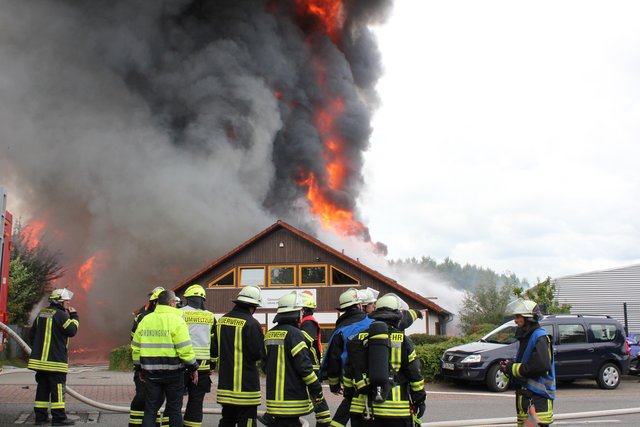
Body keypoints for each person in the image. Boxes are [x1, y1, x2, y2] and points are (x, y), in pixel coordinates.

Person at [343, 293, 426, 427]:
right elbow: (415, 374)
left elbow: (348, 373)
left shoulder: (358, 339)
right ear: (397, 315)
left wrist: (348, 395)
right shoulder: (403, 341)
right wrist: (419, 401)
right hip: (397, 412)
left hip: (363, 410)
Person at [259, 291, 330, 427]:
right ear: (296, 313)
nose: (302, 314)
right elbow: (304, 367)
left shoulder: (269, 334)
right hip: (292, 400)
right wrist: (316, 388)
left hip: (273, 400)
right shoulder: (295, 334)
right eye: (301, 311)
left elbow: (264, 366)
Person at [131, 290, 199, 427]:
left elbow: (136, 347)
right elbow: (184, 349)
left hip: (151, 373)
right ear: (171, 303)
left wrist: (139, 369)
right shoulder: (177, 320)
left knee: (150, 409)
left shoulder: (146, 320)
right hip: (174, 373)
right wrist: (193, 368)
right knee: (174, 410)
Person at [320, 288, 372, 427]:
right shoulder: (374, 323)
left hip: (351, 379)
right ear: (359, 305)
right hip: (374, 376)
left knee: (350, 401)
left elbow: (334, 359)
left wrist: (334, 385)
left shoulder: (340, 330)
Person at [28, 288, 80, 426]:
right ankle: (59, 418)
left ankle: (40, 417)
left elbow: (32, 336)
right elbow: (72, 331)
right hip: (55, 362)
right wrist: (74, 316)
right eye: (66, 300)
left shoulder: (42, 313)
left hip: (40, 363)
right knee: (58, 390)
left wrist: (39, 350)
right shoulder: (61, 315)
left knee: (42, 389)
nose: (68, 303)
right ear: (60, 302)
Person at [500, 299, 555, 427]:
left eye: (518, 317)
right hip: (527, 399)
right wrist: (509, 367)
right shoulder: (527, 337)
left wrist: (512, 368)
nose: (515, 321)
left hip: (538, 400)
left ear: (528, 318)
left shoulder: (539, 337)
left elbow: (540, 366)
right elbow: (528, 363)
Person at [216, 285, 265, 427]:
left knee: (227, 420)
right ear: (253, 306)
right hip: (246, 387)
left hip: (225, 385)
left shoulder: (222, 321)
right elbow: (257, 353)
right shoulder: (252, 324)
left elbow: (215, 348)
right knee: (247, 422)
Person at [181, 284, 217, 427]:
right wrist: (212, 365)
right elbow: (214, 344)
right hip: (202, 368)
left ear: (187, 298)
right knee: (196, 402)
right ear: (203, 300)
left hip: (181, 365)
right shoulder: (210, 316)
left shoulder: (179, 313)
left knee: (174, 402)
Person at [129, 286, 165, 427]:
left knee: (149, 399)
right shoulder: (145, 317)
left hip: (145, 366)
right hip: (156, 367)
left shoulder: (142, 317)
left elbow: (134, 342)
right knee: (148, 399)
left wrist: (137, 365)